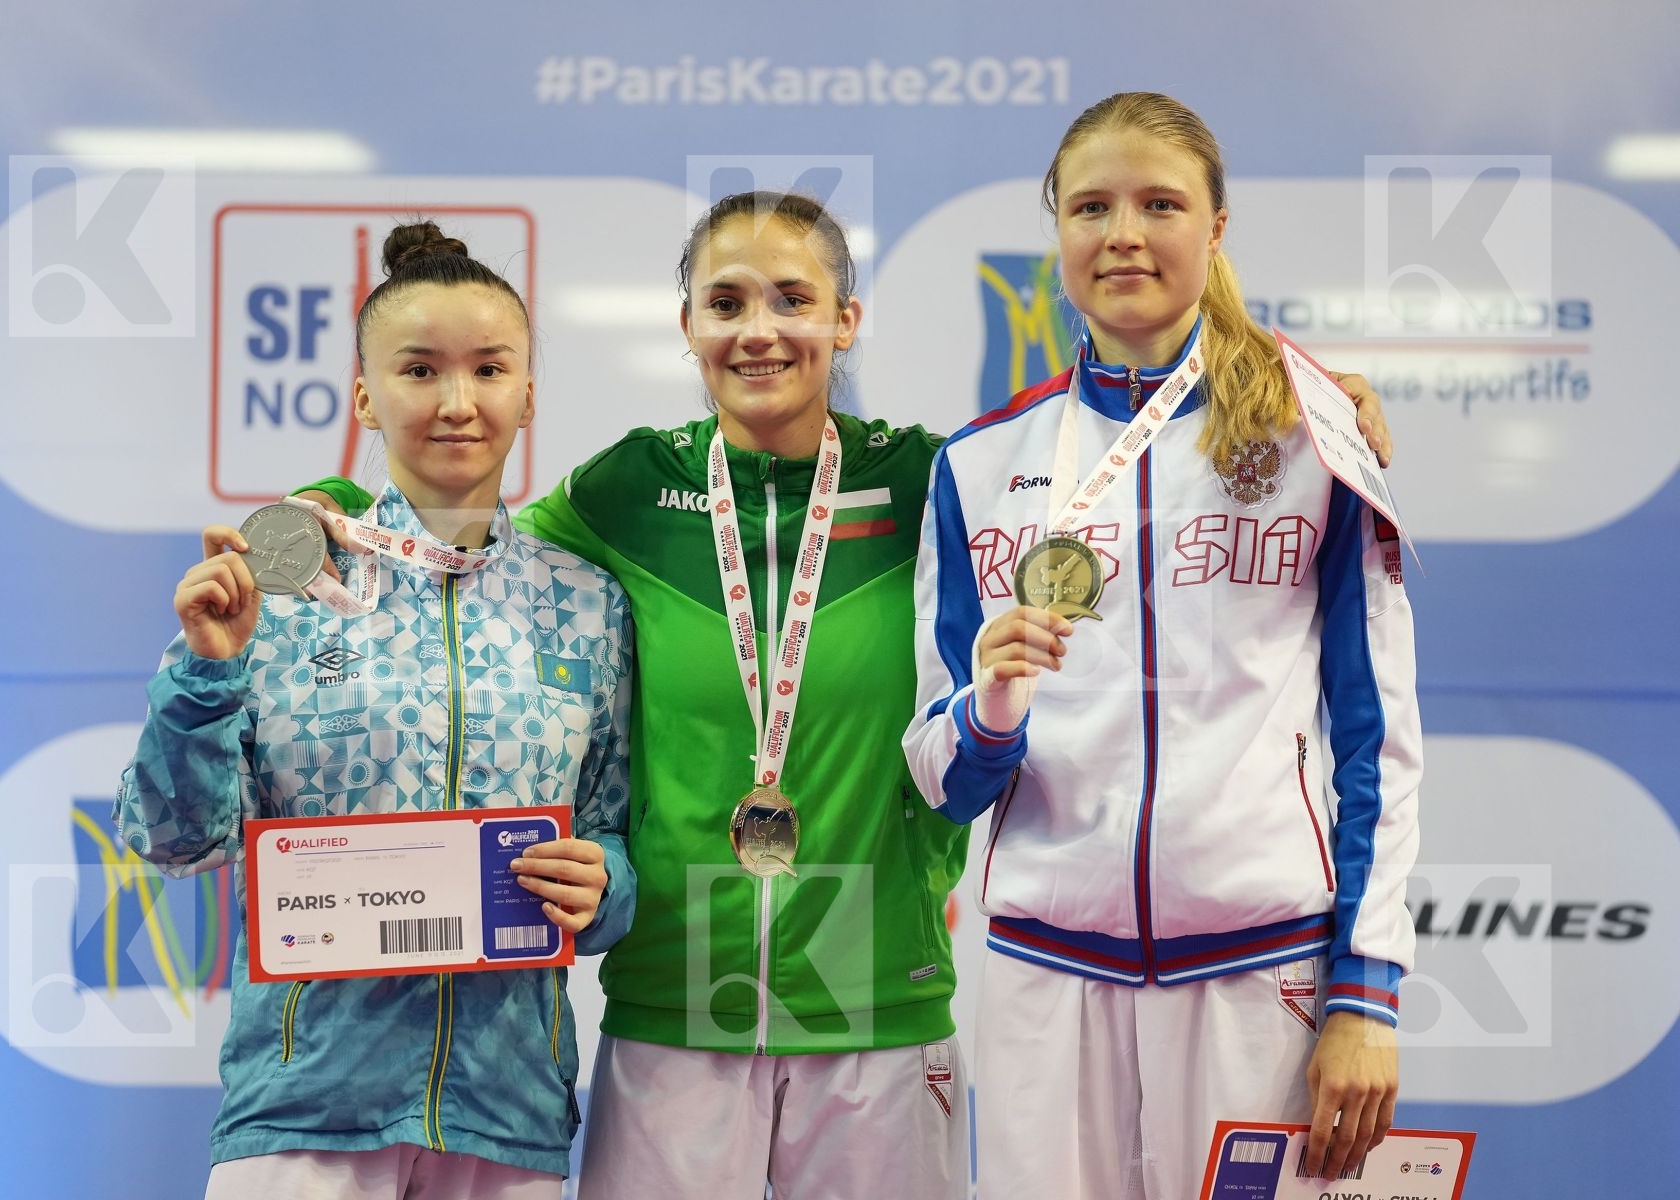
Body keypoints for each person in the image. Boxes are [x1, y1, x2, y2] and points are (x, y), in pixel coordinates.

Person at [299, 191, 1401, 1200]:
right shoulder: (628, 487)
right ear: (686, 325)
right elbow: (465, 531)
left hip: (882, 1011)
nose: (760, 329)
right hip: (677, 1015)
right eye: (725, 303)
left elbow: (1113, 446)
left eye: (794, 299)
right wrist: (340, 502)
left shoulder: (938, 475)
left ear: (847, 319)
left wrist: (1312, 396)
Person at [903, 92, 1421, 1200]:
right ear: (1057, 234)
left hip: (1258, 973)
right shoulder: (981, 463)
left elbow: (1378, 729)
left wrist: (1365, 989)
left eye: (1158, 203)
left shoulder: (1314, 433)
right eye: (1091, 205)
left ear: (1216, 227)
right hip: (1046, 979)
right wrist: (990, 709)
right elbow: (944, 782)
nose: (1122, 232)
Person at [116, 223, 634, 1200]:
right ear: (364, 395)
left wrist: (605, 884)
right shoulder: (286, 579)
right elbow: (172, 838)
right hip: (303, 1114)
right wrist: (206, 673)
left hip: (506, 1117)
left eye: (488, 369)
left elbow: (611, 842)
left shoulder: (587, 604)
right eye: (418, 369)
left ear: (528, 394)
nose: (455, 402)